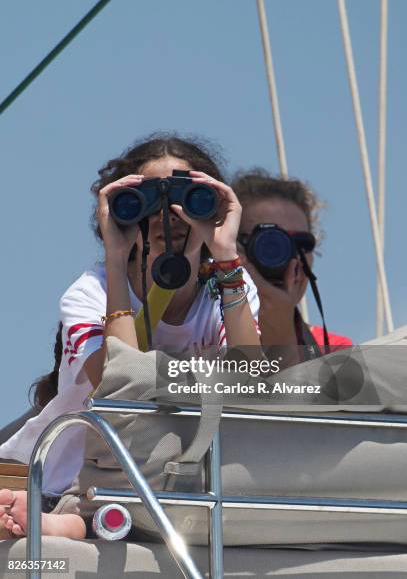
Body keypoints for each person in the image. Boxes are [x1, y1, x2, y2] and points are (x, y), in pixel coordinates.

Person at [0, 134, 261, 539]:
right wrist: (117, 258)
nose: (168, 216)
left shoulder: (228, 290)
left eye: (184, 198)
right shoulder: (91, 293)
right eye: (149, 202)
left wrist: (226, 254)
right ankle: (76, 521)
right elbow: (120, 382)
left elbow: (251, 378)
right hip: (68, 481)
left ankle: (82, 525)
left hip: (175, 479)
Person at [232, 169, 352, 359]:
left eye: (301, 245)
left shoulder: (334, 351)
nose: (289, 260)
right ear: (233, 249)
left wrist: (283, 340)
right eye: (271, 244)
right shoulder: (195, 339)